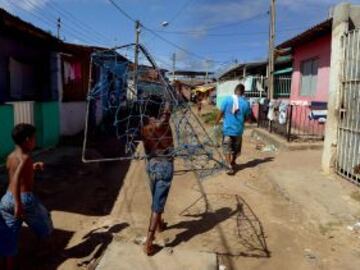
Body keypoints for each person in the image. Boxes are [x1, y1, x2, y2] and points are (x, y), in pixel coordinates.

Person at [0, 124, 53, 270]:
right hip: (23, 199)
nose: (35, 141)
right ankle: (43, 253)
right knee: (45, 224)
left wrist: (33, 167)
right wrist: (18, 204)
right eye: (34, 138)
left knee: (9, 235)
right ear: (27, 140)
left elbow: (14, 172)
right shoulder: (25, 158)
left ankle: (7, 265)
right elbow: (17, 179)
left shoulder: (10, 156)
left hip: (6, 199)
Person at [141, 100, 174, 256]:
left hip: (151, 166)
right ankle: (149, 241)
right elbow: (165, 117)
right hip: (164, 165)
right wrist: (167, 105)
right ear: (159, 113)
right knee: (157, 205)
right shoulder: (162, 125)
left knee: (156, 197)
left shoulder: (144, 129)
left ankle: (160, 224)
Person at [215, 84, 251, 175]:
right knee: (236, 148)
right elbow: (248, 118)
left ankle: (228, 165)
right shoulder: (246, 103)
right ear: (243, 92)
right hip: (238, 131)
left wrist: (216, 123)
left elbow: (220, 112)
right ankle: (233, 161)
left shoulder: (227, 100)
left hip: (227, 130)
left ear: (234, 90)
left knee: (226, 148)